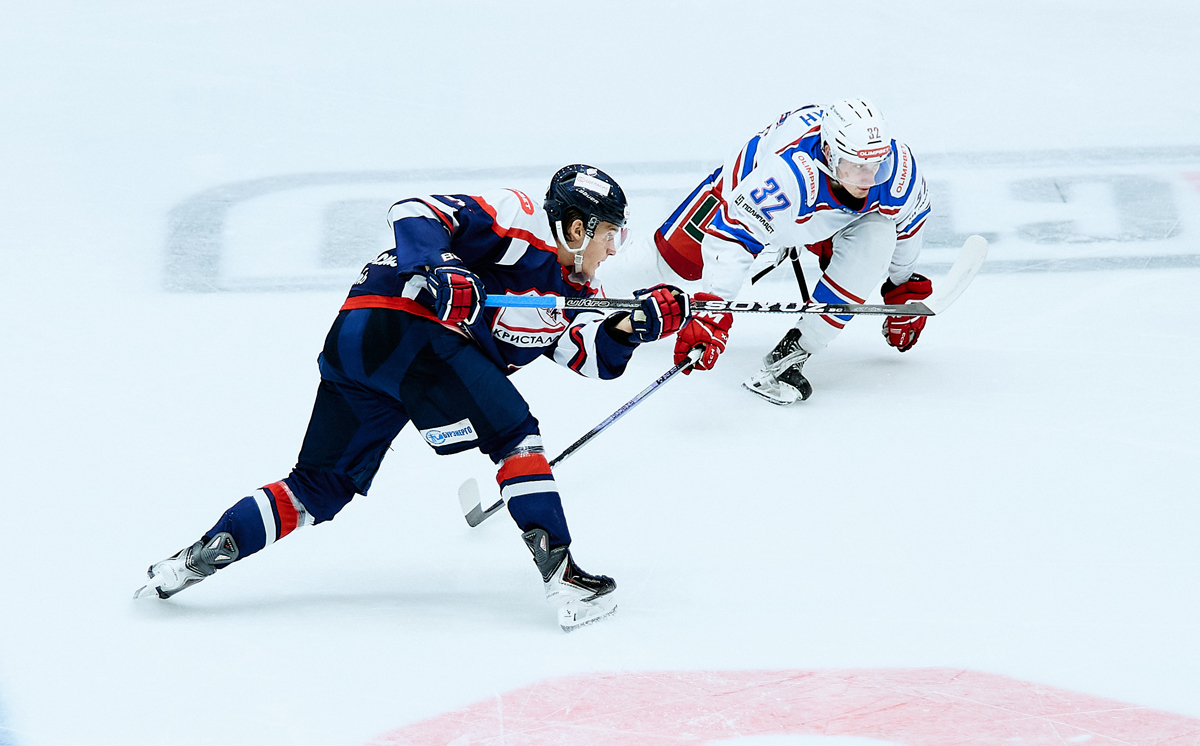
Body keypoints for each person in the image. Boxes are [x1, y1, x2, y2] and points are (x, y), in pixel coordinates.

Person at [134, 165, 691, 631]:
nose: (614, 249)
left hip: (364, 348)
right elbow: (414, 209)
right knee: (515, 436)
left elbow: (589, 358)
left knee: (319, 487)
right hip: (406, 328)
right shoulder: (520, 218)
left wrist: (633, 328)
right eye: (610, 234)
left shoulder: (576, 293)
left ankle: (192, 561)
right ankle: (566, 580)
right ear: (576, 227)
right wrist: (442, 268)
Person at [608, 97, 932, 404]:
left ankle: (792, 354)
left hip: (822, 220)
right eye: (855, 166)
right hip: (742, 200)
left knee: (878, 235)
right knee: (669, 265)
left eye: (876, 165)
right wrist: (712, 312)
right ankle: (592, 285)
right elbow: (733, 237)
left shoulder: (899, 172)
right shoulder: (788, 173)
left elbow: (908, 226)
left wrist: (902, 289)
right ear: (829, 153)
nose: (868, 179)